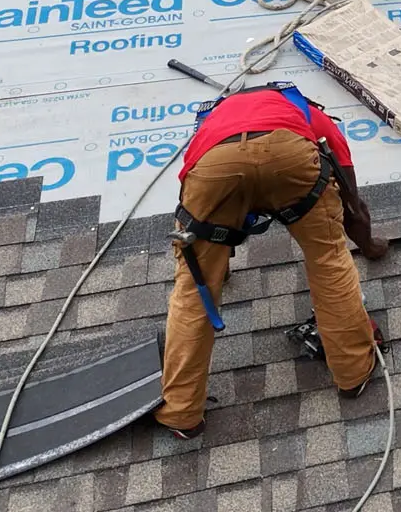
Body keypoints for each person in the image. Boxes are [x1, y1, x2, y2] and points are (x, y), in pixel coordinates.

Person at [157, 83, 387, 439]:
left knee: (193, 285)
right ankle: (354, 374)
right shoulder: (310, 114)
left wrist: (216, 265)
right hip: (289, 156)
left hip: (215, 168)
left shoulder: (210, 121)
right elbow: (352, 202)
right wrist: (370, 246)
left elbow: (209, 200)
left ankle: (181, 413)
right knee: (328, 259)